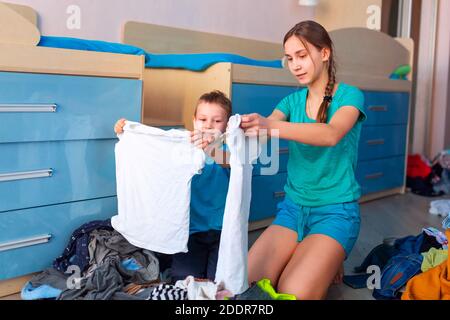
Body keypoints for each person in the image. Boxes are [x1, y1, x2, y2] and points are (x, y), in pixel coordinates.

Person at [240, 20, 367, 300]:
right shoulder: (290, 102)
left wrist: (269, 126)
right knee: (243, 281)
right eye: (289, 58)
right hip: (293, 211)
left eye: (302, 55)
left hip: (336, 212)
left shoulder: (350, 96)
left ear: (324, 53)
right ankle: (315, 255)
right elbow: (262, 134)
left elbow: (331, 134)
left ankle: (324, 253)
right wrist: (222, 139)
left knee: (292, 291)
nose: (295, 65)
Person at [113, 90, 231, 282]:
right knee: (183, 280)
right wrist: (126, 131)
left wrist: (210, 149)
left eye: (217, 121)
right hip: (189, 232)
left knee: (221, 282)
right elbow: (156, 145)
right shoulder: (183, 144)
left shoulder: (229, 148)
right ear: (194, 120)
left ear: (227, 125)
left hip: (222, 231)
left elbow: (232, 162)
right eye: (203, 119)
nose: (209, 125)